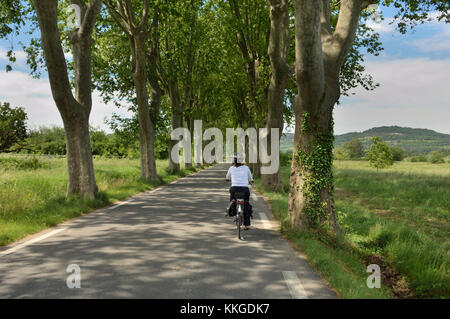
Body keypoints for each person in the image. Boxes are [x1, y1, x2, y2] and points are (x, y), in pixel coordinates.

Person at [225, 153, 254, 230]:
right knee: (246, 205)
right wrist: (251, 181)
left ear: (233, 160)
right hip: (244, 189)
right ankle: (247, 225)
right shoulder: (246, 168)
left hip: (234, 189)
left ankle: (234, 215)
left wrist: (228, 180)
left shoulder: (231, 168)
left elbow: (227, 177)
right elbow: (251, 178)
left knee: (232, 202)